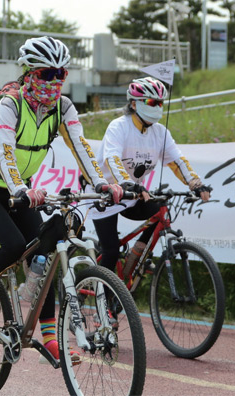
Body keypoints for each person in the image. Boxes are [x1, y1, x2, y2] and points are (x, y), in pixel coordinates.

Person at [0, 36, 123, 362]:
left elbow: (82, 147)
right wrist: (20, 189)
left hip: (21, 192)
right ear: (29, 72)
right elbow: (5, 152)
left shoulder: (62, 107)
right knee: (15, 245)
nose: (55, 81)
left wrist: (102, 182)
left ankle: (49, 336)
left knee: (45, 252)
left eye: (60, 74)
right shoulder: (10, 104)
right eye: (47, 74)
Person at [89, 76, 211, 282]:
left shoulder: (160, 133)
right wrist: (125, 183)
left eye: (160, 103)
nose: (157, 107)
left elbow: (177, 161)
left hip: (132, 193)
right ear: (134, 103)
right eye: (152, 102)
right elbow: (112, 158)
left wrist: (196, 183)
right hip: (105, 194)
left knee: (160, 212)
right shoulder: (119, 126)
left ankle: (137, 256)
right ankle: (104, 301)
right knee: (110, 252)